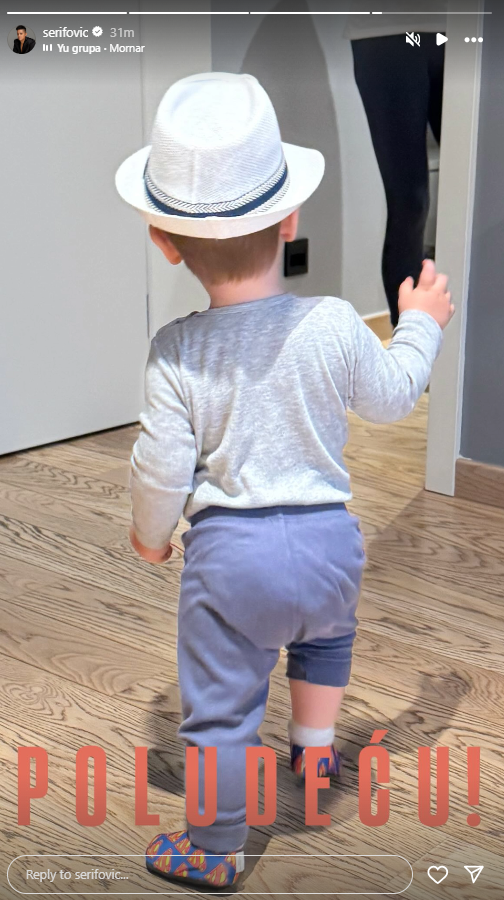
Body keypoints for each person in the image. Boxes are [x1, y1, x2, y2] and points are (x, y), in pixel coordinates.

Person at [115, 72, 454, 889]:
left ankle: (216, 847)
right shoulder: (333, 322)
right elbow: (392, 396)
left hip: (233, 564)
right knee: (325, 638)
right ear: (291, 217)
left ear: (165, 241)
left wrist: (149, 536)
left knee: (222, 707)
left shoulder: (176, 350)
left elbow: (160, 466)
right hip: (334, 546)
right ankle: (315, 752)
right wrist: (419, 327)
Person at [345, 1, 447, 326]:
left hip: (466, 27)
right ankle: (408, 338)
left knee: (486, 187)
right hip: (386, 30)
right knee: (410, 203)